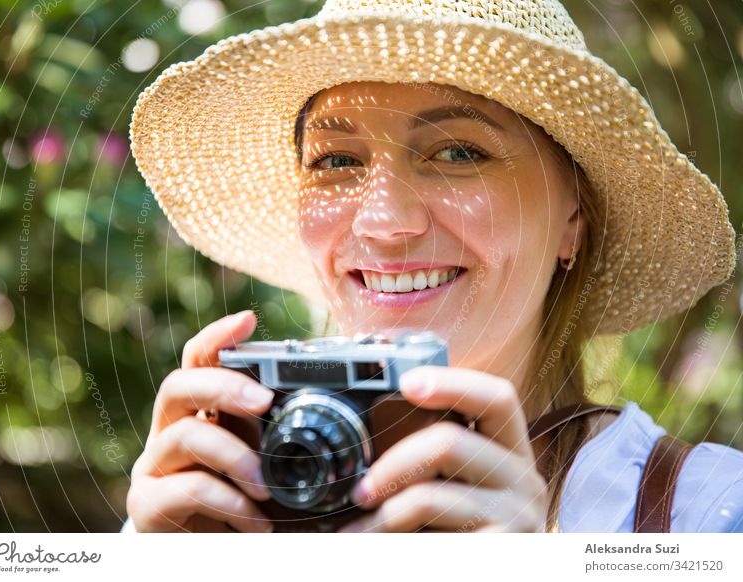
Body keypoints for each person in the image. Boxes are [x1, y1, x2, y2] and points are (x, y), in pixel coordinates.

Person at [123, 0, 743, 533]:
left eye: (458, 151)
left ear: (571, 220)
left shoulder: (706, 514)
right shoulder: (208, 498)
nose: (384, 220)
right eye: (336, 161)